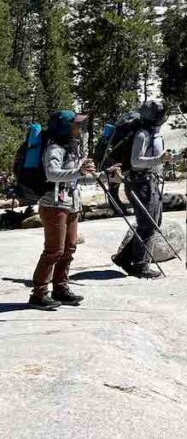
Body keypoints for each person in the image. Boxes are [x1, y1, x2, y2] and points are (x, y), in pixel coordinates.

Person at [29, 111, 95, 310]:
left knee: (69, 248)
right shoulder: (55, 148)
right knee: (54, 250)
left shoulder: (72, 147)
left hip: (71, 204)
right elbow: (51, 173)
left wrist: (104, 175)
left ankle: (60, 288)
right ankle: (38, 294)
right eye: (75, 125)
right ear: (65, 127)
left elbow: (76, 177)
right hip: (53, 205)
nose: (79, 128)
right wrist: (78, 171)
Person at [112, 100, 168, 279]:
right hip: (141, 182)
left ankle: (124, 257)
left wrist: (170, 159)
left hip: (149, 181)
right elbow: (136, 162)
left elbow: (156, 158)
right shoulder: (142, 134)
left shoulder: (153, 133)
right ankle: (140, 265)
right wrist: (159, 159)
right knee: (148, 224)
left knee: (153, 222)